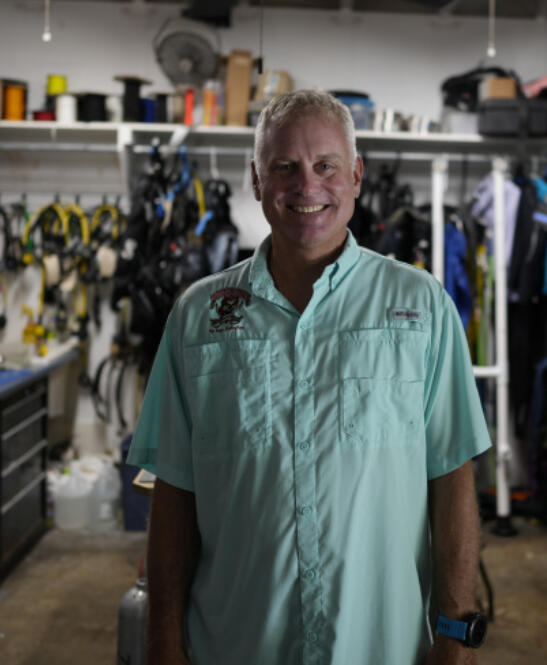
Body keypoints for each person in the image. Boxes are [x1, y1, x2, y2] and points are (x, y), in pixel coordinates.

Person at [127, 89, 492, 665]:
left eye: (325, 166)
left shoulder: (419, 305)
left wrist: (455, 632)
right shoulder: (199, 316)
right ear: (255, 179)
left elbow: (452, 477)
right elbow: (175, 489)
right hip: (236, 643)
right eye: (284, 167)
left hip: (383, 646)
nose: (306, 186)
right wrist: (162, 641)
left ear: (355, 177)